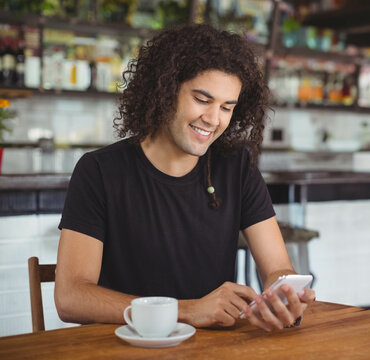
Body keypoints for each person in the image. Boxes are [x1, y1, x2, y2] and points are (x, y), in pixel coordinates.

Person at [54, 24, 315, 332]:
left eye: (226, 107)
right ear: (164, 90)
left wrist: (281, 296)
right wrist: (188, 310)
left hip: (213, 350)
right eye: (202, 100)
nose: (214, 119)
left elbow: (278, 268)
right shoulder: (99, 171)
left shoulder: (236, 167)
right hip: (128, 348)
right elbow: (70, 298)